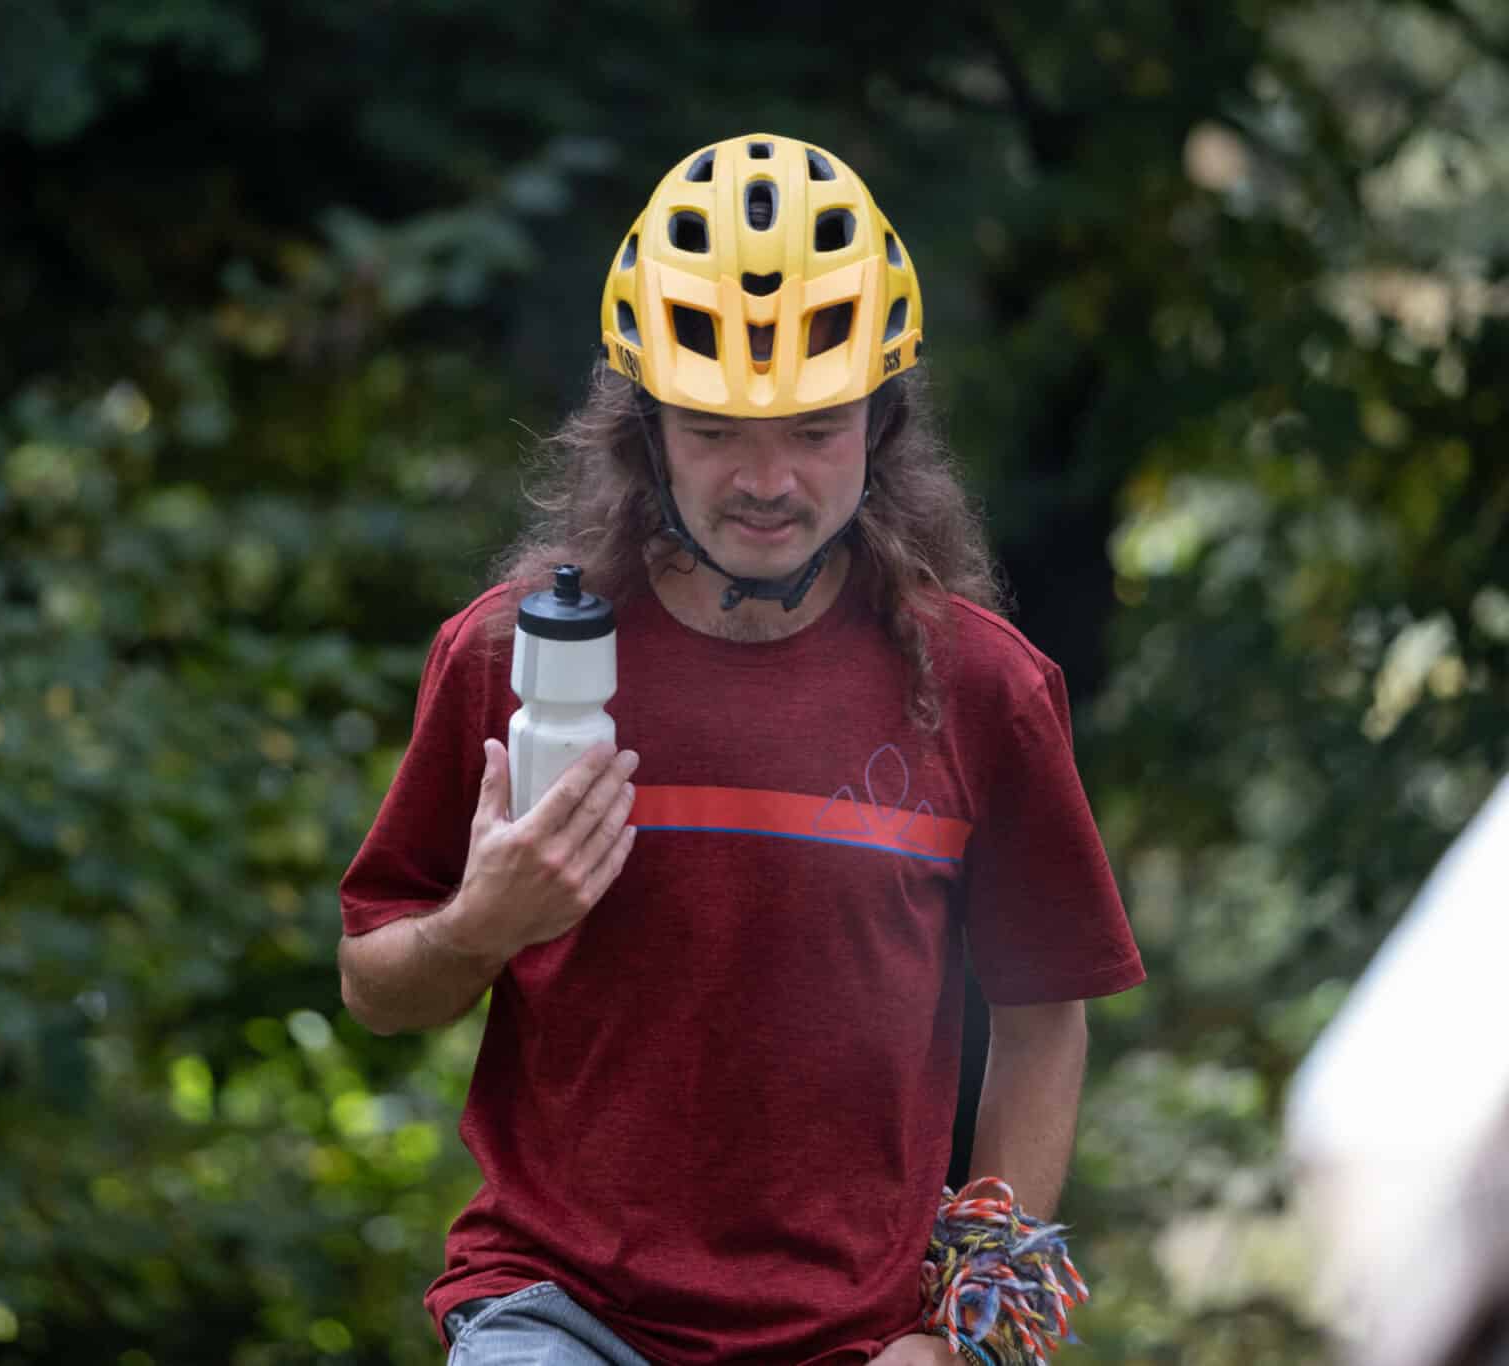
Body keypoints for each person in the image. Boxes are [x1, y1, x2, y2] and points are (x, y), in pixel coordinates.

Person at [336, 132, 1146, 1365]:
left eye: (814, 429)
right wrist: (479, 925)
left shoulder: (983, 688)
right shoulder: (507, 656)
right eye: (714, 429)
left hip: (855, 1333)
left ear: (880, 425)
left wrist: (970, 1335)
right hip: (557, 1308)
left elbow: (1042, 1021)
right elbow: (373, 984)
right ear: (644, 428)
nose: (765, 479)